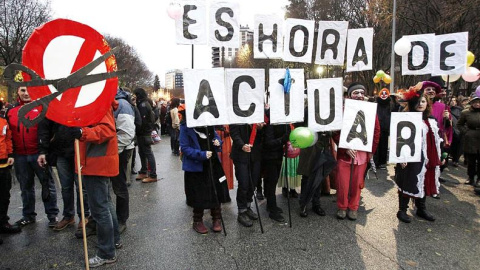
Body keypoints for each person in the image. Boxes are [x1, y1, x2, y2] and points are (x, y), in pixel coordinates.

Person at [71, 101, 121, 268]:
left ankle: (107, 252)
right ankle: (113, 242)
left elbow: (107, 130)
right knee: (105, 205)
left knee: (100, 209)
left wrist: (81, 132)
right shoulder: (95, 101)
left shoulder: (99, 103)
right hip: (95, 162)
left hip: (96, 164)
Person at [6, 85, 59, 227]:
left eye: (29, 90)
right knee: (25, 187)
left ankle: (52, 216)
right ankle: (28, 215)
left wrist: (47, 151)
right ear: (18, 91)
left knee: (47, 185)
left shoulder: (43, 108)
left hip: (39, 154)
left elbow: (50, 131)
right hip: (20, 155)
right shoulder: (11, 111)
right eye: (23, 90)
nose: (26, 93)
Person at [333, 83, 380, 220]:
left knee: (356, 184)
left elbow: (376, 132)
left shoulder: (371, 111)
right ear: (349, 96)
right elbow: (335, 133)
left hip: (362, 155)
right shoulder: (342, 111)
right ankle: (342, 207)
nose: (359, 95)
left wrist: (371, 152)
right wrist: (345, 147)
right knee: (342, 183)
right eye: (356, 93)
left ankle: (353, 207)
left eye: (361, 92)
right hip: (345, 155)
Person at [395, 86, 442, 223]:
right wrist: (402, 157)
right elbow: (399, 139)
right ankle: (402, 210)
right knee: (407, 181)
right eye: (418, 102)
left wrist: (441, 155)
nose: (420, 104)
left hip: (428, 157)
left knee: (424, 181)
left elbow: (438, 138)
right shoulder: (407, 118)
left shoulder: (431, 120)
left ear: (427, 103)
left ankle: (421, 208)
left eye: (423, 101)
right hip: (411, 157)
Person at [179, 106, 228, 234]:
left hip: (212, 163)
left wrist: (217, 142)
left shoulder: (208, 125)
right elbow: (184, 147)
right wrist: (201, 154)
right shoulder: (185, 127)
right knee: (198, 193)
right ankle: (197, 220)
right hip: (196, 166)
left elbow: (216, 137)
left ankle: (216, 218)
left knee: (216, 189)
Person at [37, 119, 91, 234]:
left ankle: (84, 216)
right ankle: (68, 216)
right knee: (66, 187)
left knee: (81, 187)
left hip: (79, 150)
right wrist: (43, 151)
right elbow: (45, 128)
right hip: (61, 152)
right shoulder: (55, 105)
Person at [112, 87, 136, 233]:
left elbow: (127, 133)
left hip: (119, 150)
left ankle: (121, 219)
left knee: (119, 186)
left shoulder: (122, 104)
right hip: (115, 150)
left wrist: (113, 151)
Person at [230, 123, 263, 227]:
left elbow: (262, 136)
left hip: (255, 153)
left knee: (253, 182)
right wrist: (242, 145)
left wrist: (260, 128)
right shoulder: (237, 114)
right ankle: (242, 210)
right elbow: (234, 133)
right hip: (241, 154)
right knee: (243, 183)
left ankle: (248, 206)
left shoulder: (256, 115)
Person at [262, 116, 290, 222]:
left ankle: (271, 204)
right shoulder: (270, 124)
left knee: (273, 181)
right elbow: (268, 143)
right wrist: (283, 139)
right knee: (271, 183)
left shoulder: (283, 122)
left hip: (278, 155)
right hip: (270, 157)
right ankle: (272, 210)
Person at [0, 101, 22, 238]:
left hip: (3, 165)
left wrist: (11, 154)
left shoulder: (3, 122)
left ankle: (3, 223)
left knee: (4, 197)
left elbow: (8, 139)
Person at [133, 88, 157, 183]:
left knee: (147, 153)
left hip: (143, 133)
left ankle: (152, 174)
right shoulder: (145, 103)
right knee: (142, 152)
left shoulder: (142, 105)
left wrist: (139, 130)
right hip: (144, 132)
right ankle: (144, 171)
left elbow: (141, 121)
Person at [457, 93, 480, 186]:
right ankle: (470, 177)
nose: (477, 104)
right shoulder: (466, 112)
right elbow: (459, 124)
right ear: (471, 103)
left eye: (479, 102)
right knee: (471, 161)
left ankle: (479, 178)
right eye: (475, 102)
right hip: (471, 138)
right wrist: (466, 132)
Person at [375, 88, 392, 169]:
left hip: (385, 129)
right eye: (382, 93)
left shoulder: (391, 104)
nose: (384, 95)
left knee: (384, 146)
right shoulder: (375, 104)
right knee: (376, 145)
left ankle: (382, 162)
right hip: (376, 128)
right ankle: (375, 162)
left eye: (386, 93)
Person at [449, 96, 464, 167]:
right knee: (452, 146)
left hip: (459, 130)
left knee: (458, 146)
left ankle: (456, 160)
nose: (452, 102)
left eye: (454, 100)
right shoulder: (447, 109)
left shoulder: (461, 110)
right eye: (451, 100)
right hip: (451, 130)